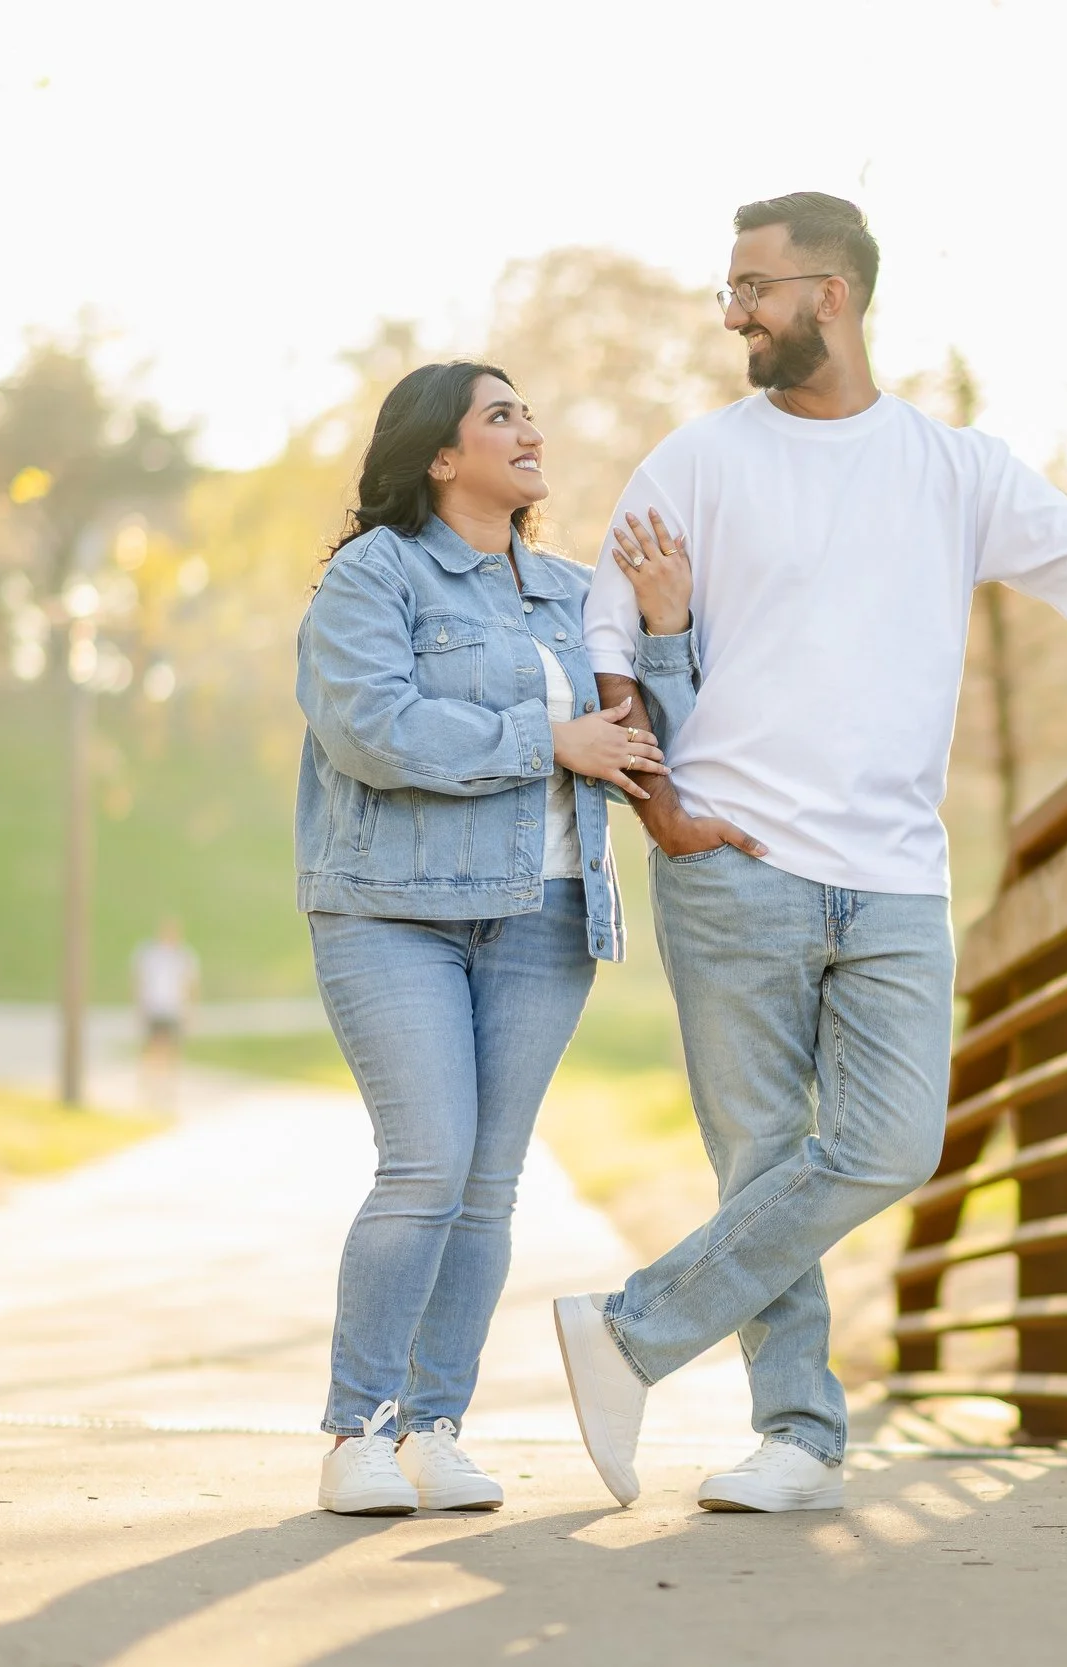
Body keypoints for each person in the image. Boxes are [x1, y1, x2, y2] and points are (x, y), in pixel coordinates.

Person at [551, 192, 1067, 1514]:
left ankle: (629, 1332)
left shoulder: (955, 468)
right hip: (732, 859)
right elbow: (607, 653)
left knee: (888, 1143)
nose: (733, 311)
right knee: (763, 1158)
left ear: (834, 294)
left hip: (892, 875)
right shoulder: (695, 460)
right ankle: (800, 1433)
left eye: (753, 285)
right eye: (728, 288)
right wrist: (665, 814)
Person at [295, 360, 683, 1516]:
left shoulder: (576, 590)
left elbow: (647, 740)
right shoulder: (376, 575)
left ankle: (434, 1426)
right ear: (440, 455)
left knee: (488, 1184)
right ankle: (354, 1430)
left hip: (549, 909)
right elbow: (373, 727)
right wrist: (543, 738)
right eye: (500, 414)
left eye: (529, 410)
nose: (531, 427)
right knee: (425, 1167)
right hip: (391, 909)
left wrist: (663, 631)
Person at [131, 917, 199, 1111]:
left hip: (173, 1008)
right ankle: (149, 1083)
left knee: (171, 1048)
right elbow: (140, 981)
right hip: (154, 1007)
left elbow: (190, 985)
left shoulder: (184, 956)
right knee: (152, 1047)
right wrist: (139, 1007)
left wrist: (191, 1010)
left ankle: (167, 1085)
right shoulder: (150, 955)